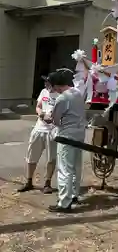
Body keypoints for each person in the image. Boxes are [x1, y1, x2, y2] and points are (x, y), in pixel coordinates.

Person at [47, 69, 86, 213]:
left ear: (57, 85)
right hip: (79, 133)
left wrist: (48, 118)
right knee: (75, 166)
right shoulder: (77, 93)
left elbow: (56, 120)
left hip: (66, 135)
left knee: (64, 169)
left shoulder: (62, 98)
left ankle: (64, 202)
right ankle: (74, 195)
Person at [18, 77, 58, 194]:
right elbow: (39, 106)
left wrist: (53, 118)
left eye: (48, 82)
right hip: (39, 128)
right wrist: (41, 115)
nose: (46, 84)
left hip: (52, 131)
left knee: (51, 158)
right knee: (31, 156)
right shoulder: (43, 92)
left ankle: (47, 183)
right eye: (45, 82)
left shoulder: (61, 95)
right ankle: (29, 181)